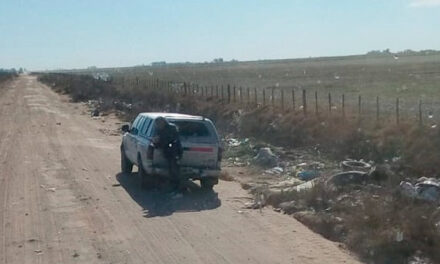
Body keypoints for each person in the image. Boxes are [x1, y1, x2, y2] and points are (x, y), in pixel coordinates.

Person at [152, 117, 183, 191]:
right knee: (171, 170)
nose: (158, 125)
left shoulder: (171, 128)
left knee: (174, 171)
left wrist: (160, 142)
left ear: (163, 122)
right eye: (157, 123)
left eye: (159, 123)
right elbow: (160, 141)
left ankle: (176, 188)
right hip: (168, 152)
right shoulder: (160, 130)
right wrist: (156, 142)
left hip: (174, 152)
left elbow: (173, 140)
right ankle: (172, 186)